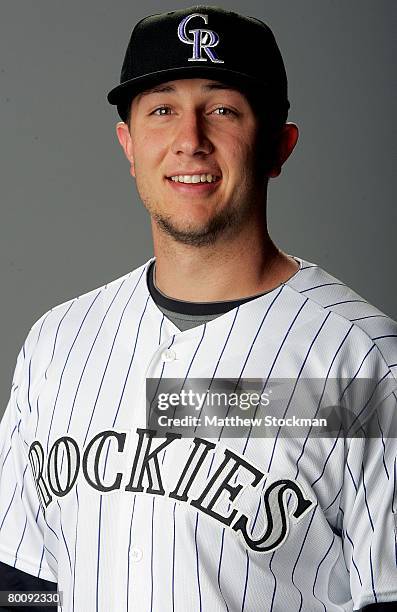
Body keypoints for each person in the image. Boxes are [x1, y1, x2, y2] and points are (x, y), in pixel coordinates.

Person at [0, 6, 396, 611]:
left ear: (278, 145)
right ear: (128, 144)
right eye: (162, 109)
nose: (190, 139)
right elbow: (22, 585)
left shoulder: (365, 362)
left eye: (223, 110)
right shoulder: (56, 344)